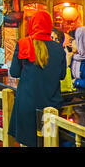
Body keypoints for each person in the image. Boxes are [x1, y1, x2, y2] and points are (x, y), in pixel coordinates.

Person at [8, 11, 66, 147]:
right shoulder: (58, 48)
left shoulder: (23, 43)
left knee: (28, 142)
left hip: (27, 103)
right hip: (51, 104)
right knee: (49, 141)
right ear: (49, 26)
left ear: (32, 25)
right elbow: (62, 76)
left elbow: (15, 72)